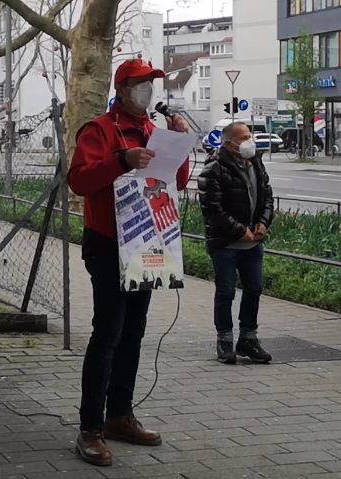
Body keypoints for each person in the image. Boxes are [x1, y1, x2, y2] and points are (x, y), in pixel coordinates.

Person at [67, 58, 191, 467]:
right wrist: (122, 160)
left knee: (133, 332)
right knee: (108, 333)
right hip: (107, 243)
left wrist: (179, 145)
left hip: (145, 242)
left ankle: (119, 414)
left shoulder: (154, 130)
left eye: (151, 84)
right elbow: (79, 180)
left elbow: (175, 181)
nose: (147, 91)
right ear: (121, 89)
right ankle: (90, 427)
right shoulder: (99, 130)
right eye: (140, 84)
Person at [197, 122, 275, 365]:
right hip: (226, 244)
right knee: (226, 292)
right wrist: (240, 231)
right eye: (243, 138)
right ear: (229, 143)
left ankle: (248, 339)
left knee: (254, 289)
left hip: (253, 243)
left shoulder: (256, 163)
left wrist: (263, 223)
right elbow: (212, 209)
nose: (249, 142)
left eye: (249, 136)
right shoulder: (214, 168)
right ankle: (225, 340)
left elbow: (267, 197)